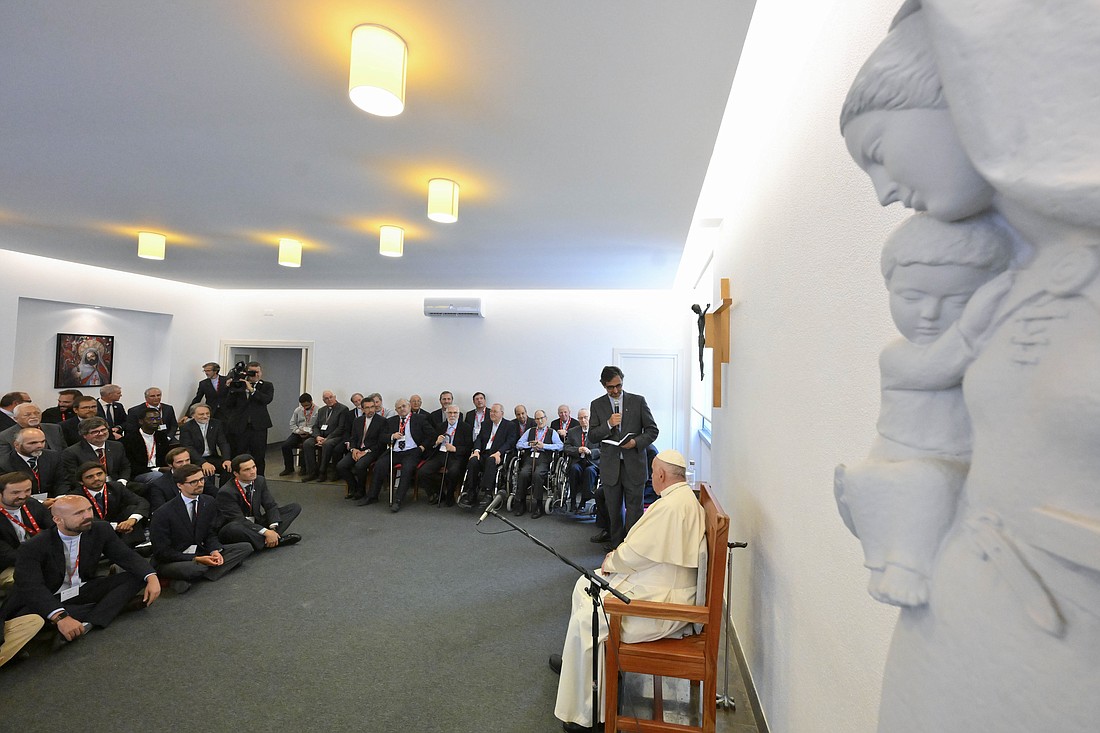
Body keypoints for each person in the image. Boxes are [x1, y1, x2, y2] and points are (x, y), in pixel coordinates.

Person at [835, 213, 1013, 606]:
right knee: (864, 482)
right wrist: (975, 321)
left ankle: (908, 566)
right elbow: (940, 366)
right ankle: (887, 559)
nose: (929, 314)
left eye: (957, 300)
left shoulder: (992, 356)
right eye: (912, 298)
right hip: (893, 453)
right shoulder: (898, 356)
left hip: (947, 464)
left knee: (929, 483)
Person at [551, 450, 706, 732]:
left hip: (663, 604)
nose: (650, 477)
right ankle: (577, 667)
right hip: (662, 585)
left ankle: (589, 715)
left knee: (592, 619)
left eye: (652, 472)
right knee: (584, 585)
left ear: (660, 475)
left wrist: (613, 559)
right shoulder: (682, 499)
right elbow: (649, 550)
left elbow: (636, 552)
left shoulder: (671, 507)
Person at [4, 494, 160, 643]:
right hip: (50, 596)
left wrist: (152, 577)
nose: (87, 516)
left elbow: (126, 556)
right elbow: (33, 588)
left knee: (138, 576)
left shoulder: (100, 529)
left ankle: (88, 622)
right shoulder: (33, 546)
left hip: (82, 588)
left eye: (89, 509)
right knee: (31, 617)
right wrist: (61, 617)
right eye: (79, 513)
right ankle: (115, 607)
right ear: (58, 519)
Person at [149, 463, 252, 594]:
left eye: (202, 479)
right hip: (174, 559)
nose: (200, 484)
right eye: (193, 482)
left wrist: (214, 550)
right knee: (193, 568)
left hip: (200, 552)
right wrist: (196, 559)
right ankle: (190, 573)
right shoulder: (163, 513)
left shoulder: (208, 502)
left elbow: (210, 533)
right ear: (179, 485)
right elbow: (161, 552)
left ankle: (186, 578)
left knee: (245, 548)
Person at [587, 366, 659, 548]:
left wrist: (635, 443)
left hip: (634, 463)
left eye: (619, 385)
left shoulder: (638, 401)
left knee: (635, 510)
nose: (616, 390)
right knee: (613, 509)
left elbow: (652, 431)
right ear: (603, 385)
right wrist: (608, 424)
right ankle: (616, 547)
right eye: (611, 387)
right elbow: (593, 436)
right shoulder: (597, 405)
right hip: (611, 466)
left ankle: (633, 548)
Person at [362, 398, 435, 513]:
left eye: (404, 406)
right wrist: (391, 436)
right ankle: (372, 496)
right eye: (399, 407)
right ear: (396, 410)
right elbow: (381, 437)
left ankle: (398, 500)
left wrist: (422, 447)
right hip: (394, 451)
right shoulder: (391, 421)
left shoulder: (420, 419)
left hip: (412, 451)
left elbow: (431, 435)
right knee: (379, 465)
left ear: (409, 407)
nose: (402, 409)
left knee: (407, 470)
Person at [215, 454, 301, 550]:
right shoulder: (226, 492)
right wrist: (266, 532)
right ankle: (272, 541)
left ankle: (270, 538)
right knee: (234, 527)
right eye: (247, 470)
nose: (252, 472)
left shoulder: (259, 480)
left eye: (254, 467)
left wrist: (272, 528)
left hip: (255, 522)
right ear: (236, 473)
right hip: (236, 526)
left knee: (294, 508)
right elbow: (238, 519)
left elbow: (270, 505)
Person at [68, 462, 149, 549]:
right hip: (94, 531)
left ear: (105, 474)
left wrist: (132, 520)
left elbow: (141, 502)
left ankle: (131, 547)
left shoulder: (116, 487)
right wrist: (115, 526)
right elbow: (85, 519)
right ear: (81, 482)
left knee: (131, 509)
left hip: (121, 528)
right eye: (90, 477)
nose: (96, 478)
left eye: (99, 474)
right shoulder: (76, 496)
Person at [458, 403, 519, 509]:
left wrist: (499, 452)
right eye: (491, 411)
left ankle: (487, 493)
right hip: (484, 453)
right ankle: (471, 491)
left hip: (498, 454)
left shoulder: (509, 425)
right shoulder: (486, 424)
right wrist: (476, 451)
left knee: (491, 460)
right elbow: (479, 439)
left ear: (502, 413)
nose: (492, 413)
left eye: (495, 411)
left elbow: (510, 442)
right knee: (473, 461)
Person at [0, 472, 51, 590]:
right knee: (32, 579)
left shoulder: (31, 504)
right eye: (15, 492)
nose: (23, 496)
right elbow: (6, 555)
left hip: (36, 556)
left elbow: (52, 528)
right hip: (7, 565)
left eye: (27, 490)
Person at [222, 362, 274, 474]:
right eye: (252, 372)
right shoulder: (238, 385)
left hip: (258, 426)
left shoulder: (267, 386)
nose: (255, 375)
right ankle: (237, 480)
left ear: (261, 372)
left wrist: (252, 390)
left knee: (259, 456)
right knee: (238, 454)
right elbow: (228, 404)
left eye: (257, 372)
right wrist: (231, 389)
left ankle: (259, 480)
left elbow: (266, 399)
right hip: (240, 425)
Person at [419, 405, 473, 507]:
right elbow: (432, 445)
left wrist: (455, 449)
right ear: (446, 414)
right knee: (423, 471)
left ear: (458, 414)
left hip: (455, 456)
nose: (452, 415)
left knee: (453, 471)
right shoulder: (440, 426)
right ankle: (438, 494)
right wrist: (436, 442)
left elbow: (469, 447)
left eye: (455, 413)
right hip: (440, 454)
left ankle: (450, 495)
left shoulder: (466, 427)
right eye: (450, 413)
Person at [513, 410, 564, 518]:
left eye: (542, 418)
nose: (540, 421)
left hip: (544, 458)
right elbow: (519, 444)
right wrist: (530, 444)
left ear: (545, 418)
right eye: (537, 419)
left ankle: (538, 505)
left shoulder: (552, 432)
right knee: (523, 474)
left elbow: (560, 446)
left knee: (538, 474)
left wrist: (544, 445)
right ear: (535, 420)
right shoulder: (530, 431)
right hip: (530, 457)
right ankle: (521, 503)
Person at [61, 417, 131, 488]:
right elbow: (74, 478)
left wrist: (122, 481)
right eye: (95, 432)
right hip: (91, 488)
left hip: (117, 484)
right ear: (84, 435)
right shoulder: (72, 452)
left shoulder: (117, 446)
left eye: (103, 430)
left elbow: (125, 467)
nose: (101, 433)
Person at [340, 398, 388, 502]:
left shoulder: (382, 421)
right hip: (357, 449)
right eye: (367, 407)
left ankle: (361, 491)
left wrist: (365, 452)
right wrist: (353, 449)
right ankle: (354, 487)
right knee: (341, 466)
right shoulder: (358, 420)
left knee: (360, 465)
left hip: (372, 451)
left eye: (372, 407)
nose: (370, 410)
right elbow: (353, 438)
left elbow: (381, 443)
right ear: (362, 409)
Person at [0, 428, 67, 499]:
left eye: (42, 441)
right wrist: (40, 503)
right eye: (33, 443)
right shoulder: (4, 464)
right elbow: (9, 492)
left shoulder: (53, 456)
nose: (40, 446)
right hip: (23, 502)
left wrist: (59, 499)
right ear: (16, 445)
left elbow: (61, 481)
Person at [177, 404, 232, 488]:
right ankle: (209, 496)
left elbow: (223, 443)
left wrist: (226, 459)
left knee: (228, 468)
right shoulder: (186, 427)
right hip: (196, 459)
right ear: (193, 415)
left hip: (212, 457)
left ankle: (223, 493)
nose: (205, 416)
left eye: (207, 413)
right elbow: (188, 447)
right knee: (208, 471)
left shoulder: (216, 424)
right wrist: (203, 462)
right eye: (201, 414)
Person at [301, 390, 350, 482]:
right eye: (326, 398)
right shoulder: (321, 410)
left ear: (334, 397)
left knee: (327, 444)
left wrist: (327, 438)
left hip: (335, 437)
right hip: (321, 436)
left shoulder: (343, 409)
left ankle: (322, 472)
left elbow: (341, 428)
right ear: (323, 400)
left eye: (331, 397)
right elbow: (315, 426)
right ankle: (311, 472)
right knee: (307, 443)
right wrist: (317, 437)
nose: (329, 400)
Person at [120, 407, 179, 483]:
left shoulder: (161, 436)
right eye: (151, 419)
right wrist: (157, 469)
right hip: (140, 473)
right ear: (141, 421)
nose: (155, 421)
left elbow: (166, 457)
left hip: (162, 470)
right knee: (159, 476)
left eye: (157, 418)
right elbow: (131, 466)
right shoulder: (129, 439)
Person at [563, 408, 600, 514]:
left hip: (592, 462)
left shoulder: (597, 432)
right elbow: (566, 447)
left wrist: (591, 452)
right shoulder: (572, 431)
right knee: (574, 469)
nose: (583, 420)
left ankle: (583, 502)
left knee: (590, 471)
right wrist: (577, 450)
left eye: (585, 417)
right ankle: (573, 500)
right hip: (578, 460)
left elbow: (604, 449)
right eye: (580, 418)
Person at [0, 402, 65, 462]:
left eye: (37, 413)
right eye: (27, 415)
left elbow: (64, 451)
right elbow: (5, 461)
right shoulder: (5, 436)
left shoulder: (54, 428)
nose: (34, 416)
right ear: (15, 418)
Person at [279, 393, 318, 476]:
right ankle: (289, 468)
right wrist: (298, 431)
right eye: (303, 406)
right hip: (298, 432)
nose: (305, 407)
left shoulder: (318, 410)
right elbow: (292, 424)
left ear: (311, 401)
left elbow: (318, 426)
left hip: (311, 433)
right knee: (285, 446)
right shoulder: (298, 410)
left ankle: (303, 468)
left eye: (307, 405)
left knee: (305, 446)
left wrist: (309, 433)